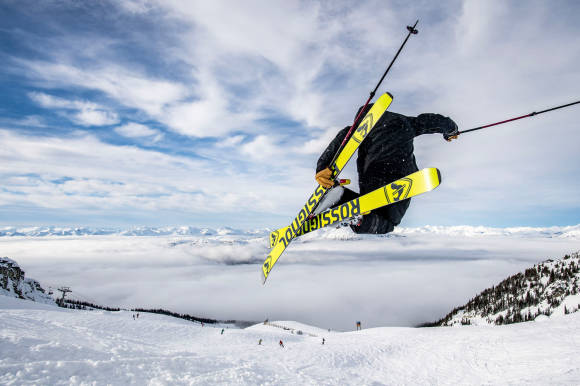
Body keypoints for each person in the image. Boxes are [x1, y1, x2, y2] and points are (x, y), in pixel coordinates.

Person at [315, 105, 458, 234]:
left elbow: (344, 138)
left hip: (371, 172)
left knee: (367, 207)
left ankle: (340, 196)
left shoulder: (364, 126)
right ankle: (353, 212)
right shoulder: (407, 123)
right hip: (401, 175)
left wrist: (323, 166)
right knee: (388, 222)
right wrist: (451, 130)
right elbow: (434, 121)